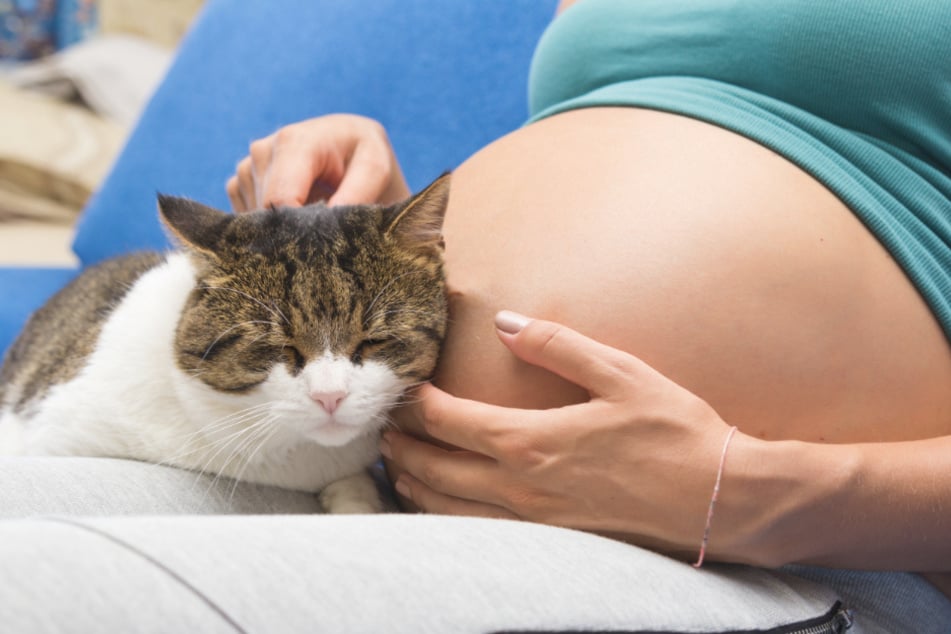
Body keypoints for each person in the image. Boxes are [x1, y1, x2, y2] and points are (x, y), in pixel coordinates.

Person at [1, 0, 949, 631]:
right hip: (380, 469)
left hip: (760, 554)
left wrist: (757, 495)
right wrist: (381, 248)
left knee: (39, 595)